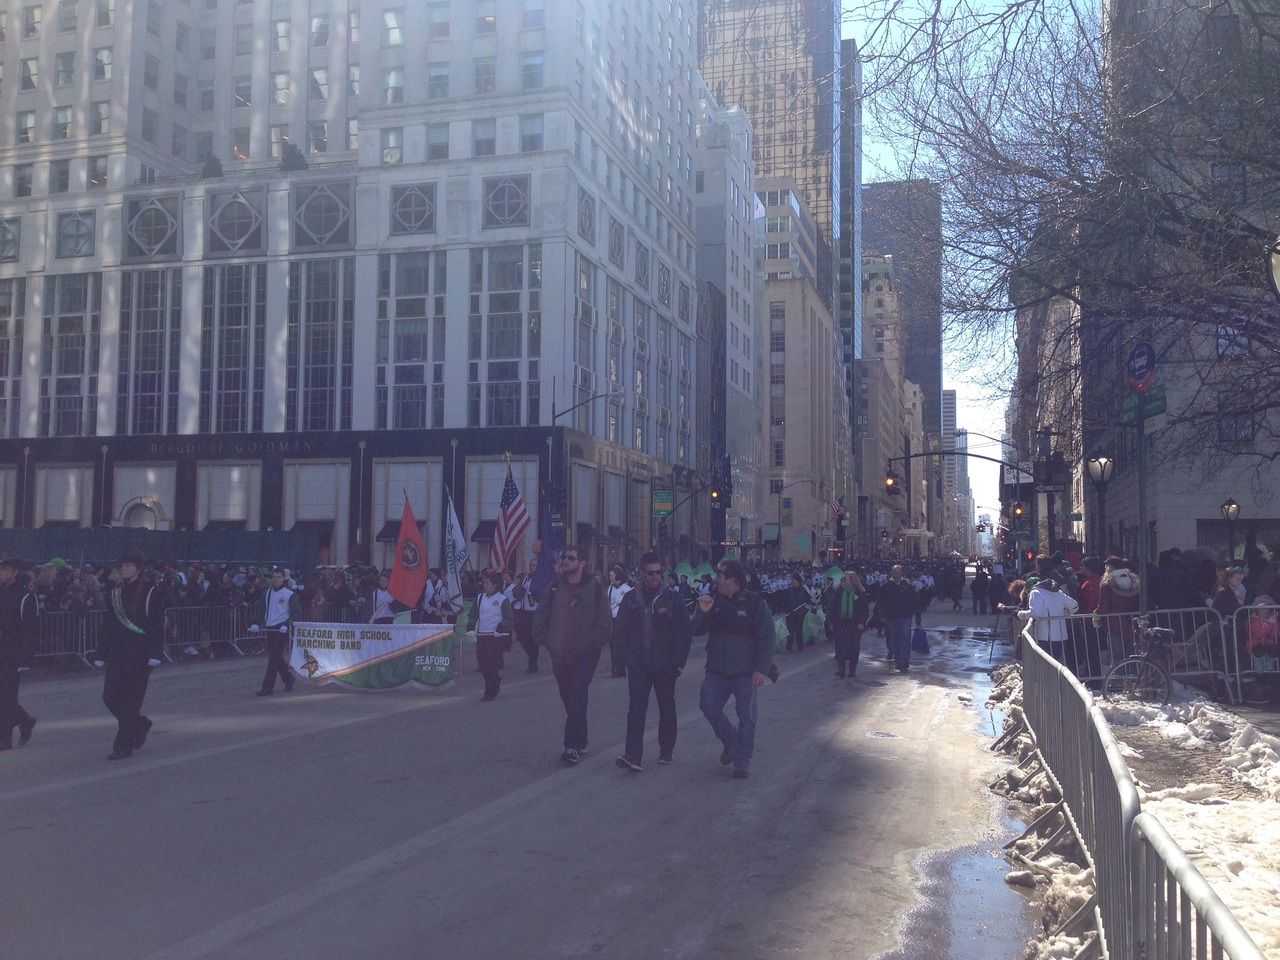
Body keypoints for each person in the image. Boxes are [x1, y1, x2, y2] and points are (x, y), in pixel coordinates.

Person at [691, 559, 775, 780]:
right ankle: (731, 740)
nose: (716, 578)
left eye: (720, 575)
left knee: (747, 717)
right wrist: (703, 612)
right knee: (708, 705)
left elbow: (768, 637)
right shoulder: (712, 601)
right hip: (716, 670)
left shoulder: (755, 603)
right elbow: (696, 630)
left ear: (733, 581)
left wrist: (761, 669)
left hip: (745, 673)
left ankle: (742, 761)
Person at [613, 552, 693, 770]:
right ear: (642, 573)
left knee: (666, 707)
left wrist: (678, 661)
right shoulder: (631, 599)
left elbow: (683, 631)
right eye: (651, 573)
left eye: (659, 572)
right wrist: (618, 660)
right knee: (636, 708)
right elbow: (620, 630)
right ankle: (633, 755)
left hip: (665, 664)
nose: (656, 576)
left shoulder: (672, 598)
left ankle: (666, 749)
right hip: (638, 664)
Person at [531, 546, 611, 764]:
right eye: (564, 557)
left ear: (582, 563)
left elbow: (605, 621)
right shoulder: (554, 588)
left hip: (586, 653)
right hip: (559, 653)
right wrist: (547, 641)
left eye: (571, 558)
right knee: (569, 697)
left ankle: (572, 746)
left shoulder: (594, 588)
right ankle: (581, 737)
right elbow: (541, 616)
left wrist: (594, 642)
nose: (565, 560)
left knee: (577, 693)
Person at [95, 551, 164, 760]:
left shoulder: (151, 591)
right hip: (119, 652)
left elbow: (156, 624)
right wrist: (101, 653)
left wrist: (155, 653)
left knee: (130, 701)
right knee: (109, 696)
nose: (124, 569)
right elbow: (108, 625)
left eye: (128, 565)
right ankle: (140, 723)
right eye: (122, 566)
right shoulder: (115, 592)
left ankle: (123, 746)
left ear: (138, 569)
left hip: (141, 653)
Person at [0, 555, 39, 751]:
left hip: (12, 653)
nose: (0, 573)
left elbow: (30, 630)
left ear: (15, 572)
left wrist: (25, 658)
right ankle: (25, 720)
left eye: (4, 570)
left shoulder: (25, 596)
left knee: (6, 696)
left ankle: (4, 738)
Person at [252, 567, 302, 696]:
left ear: (283, 578)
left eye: (278, 577)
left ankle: (267, 687)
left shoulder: (289, 594)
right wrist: (255, 622)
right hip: (270, 628)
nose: (276, 579)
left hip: (282, 629)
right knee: (277, 657)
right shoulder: (266, 594)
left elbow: (296, 613)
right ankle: (288, 678)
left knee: (273, 658)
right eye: (274, 577)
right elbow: (262, 610)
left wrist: (287, 624)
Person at [467, 570, 514, 701]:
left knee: (491, 664)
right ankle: (495, 680)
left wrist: (501, 628)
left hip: (495, 637)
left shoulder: (502, 600)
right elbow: (473, 614)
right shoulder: (480, 598)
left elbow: (508, 618)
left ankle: (489, 692)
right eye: (484, 583)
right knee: (482, 663)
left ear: (494, 585)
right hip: (482, 635)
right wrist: (470, 626)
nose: (484, 585)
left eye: (487, 583)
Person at [1017, 578, 1080, 663]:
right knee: (1057, 662)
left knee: (1045, 663)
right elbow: (1074, 606)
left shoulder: (1036, 592)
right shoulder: (1058, 592)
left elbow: (1036, 613)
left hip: (1045, 635)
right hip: (1061, 634)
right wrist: (1065, 614)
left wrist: (1021, 614)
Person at [824, 571, 870, 679]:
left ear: (852, 580)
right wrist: (830, 622)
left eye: (846, 578)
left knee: (854, 647)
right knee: (841, 647)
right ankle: (841, 669)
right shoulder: (839, 591)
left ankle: (852, 669)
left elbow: (864, 609)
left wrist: (861, 622)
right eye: (843, 579)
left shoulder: (860, 593)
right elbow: (832, 607)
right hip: (841, 623)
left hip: (855, 624)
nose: (844, 581)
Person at [875, 564, 916, 673]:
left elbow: (914, 600)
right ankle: (898, 660)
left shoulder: (907, 585)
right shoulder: (886, 586)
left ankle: (904, 661)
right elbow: (880, 602)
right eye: (895, 573)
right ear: (891, 573)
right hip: (892, 617)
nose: (897, 575)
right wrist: (882, 615)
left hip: (905, 616)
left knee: (905, 638)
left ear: (902, 573)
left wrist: (915, 613)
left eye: (898, 573)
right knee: (895, 639)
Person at [511, 559, 541, 672]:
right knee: (522, 637)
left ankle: (533, 663)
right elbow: (516, 594)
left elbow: (543, 596)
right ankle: (531, 656)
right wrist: (522, 588)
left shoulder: (541, 579)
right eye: (530, 565)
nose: (531, 567)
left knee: (533, 639)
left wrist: (534, 592)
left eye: (534, 565)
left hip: (534, 613)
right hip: (523, 612)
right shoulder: (525, 579)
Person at [605, 563, 632, 678]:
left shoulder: (627, 589)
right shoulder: (609, 588)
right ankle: (616, 665)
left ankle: (619, 666)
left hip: (622, 620)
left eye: (611, 575)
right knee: (613, 644)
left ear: (617, 576)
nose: (609, 577)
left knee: (619, 644)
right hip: (611, 619)